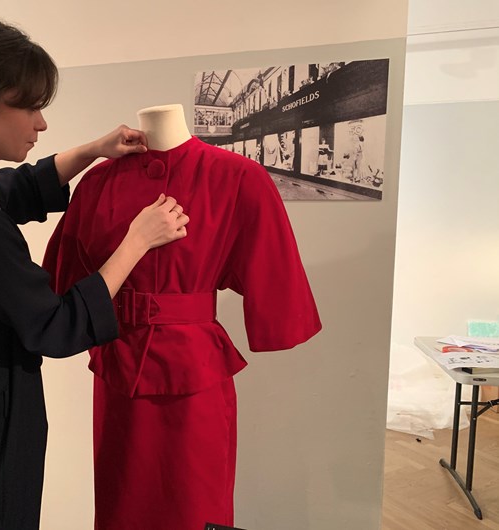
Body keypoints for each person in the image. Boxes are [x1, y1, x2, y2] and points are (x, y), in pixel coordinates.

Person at [0, 13, 189, 530]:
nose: (41, 125)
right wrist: (138, 240)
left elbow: (6, 193)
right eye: (29, 107)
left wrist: (93, 151)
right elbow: (56, 325)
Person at [44, 104, 321, 529]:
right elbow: (66, 280)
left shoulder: (239, 176)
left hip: (196, 377)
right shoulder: (97, 181)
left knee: (195, 506)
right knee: (123, 506)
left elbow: (274, 276)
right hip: (121, 371)